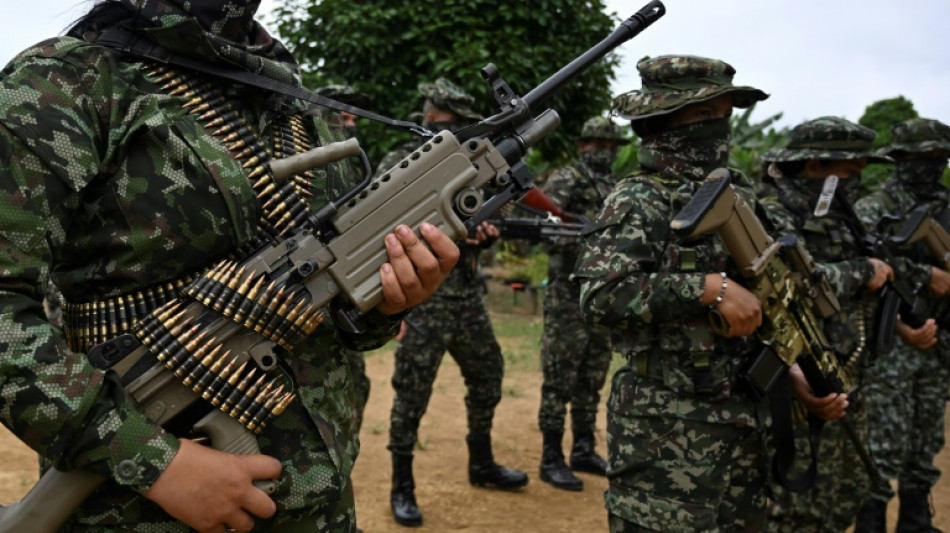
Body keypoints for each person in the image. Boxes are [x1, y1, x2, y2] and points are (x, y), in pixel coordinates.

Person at [0, 1, 459, 532]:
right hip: (139, 514)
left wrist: (386, 300)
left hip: (322, 506)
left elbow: (324, 318)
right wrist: (155, 462)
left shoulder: (291, 101)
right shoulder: (63, 84)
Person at [756, 116, 916, 533]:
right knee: (797, 509)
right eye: (849, 172)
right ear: (814, 166)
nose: (856, 183)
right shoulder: (773, 214)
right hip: (800, 379)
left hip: (847, 374)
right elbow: (788, 285)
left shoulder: (840, 217)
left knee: (846, 495)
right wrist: (862, 271)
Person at [382, 78, 528, 528]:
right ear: (428, 117)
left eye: (463, 124)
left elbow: (493, 211)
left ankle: (481, 462)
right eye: (447, 122)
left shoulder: (471, 163)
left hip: (466, 297)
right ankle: (401, 486)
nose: (455, 130)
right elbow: (388, 231)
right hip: (424, 301)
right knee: (412, 393)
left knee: (488, 375)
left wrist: (485, 229)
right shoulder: (399, 162)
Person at [852, 117, 950, 533]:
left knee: (924, 441)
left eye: (938, 157)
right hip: (888, 344)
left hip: (939, 343)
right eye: (919, 158)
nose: (929, 165)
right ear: (900, 159)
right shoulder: (874, 209)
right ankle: (871, 522)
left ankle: (915, 520)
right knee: (882, 443)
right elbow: (860, 274)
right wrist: (926, 277)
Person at [536, 115, 624, 491]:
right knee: (560, 378)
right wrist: (588, 237)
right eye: (597, 145)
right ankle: (551, 456)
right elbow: (546, 229)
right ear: (582, 145)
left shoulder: (617, 187)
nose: (603, 153)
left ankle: (584, 447)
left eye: (610, 147)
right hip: (566, 296)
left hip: (601, 299)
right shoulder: (566, 179)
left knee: (592, 377)